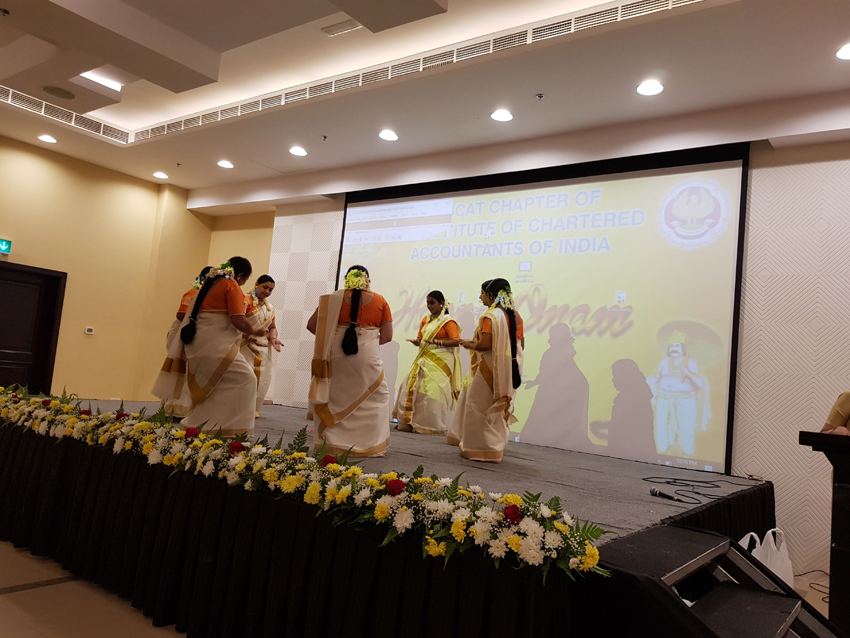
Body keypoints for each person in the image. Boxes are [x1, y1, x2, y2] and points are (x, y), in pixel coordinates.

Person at [152, 258, 266, 437]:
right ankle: (229, 428)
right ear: (240, 276)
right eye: (244, 280)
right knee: (247, 380)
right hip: (216, 346)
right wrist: (255, 330)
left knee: (219, 385)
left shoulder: (209, 285)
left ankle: (202, 425)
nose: (243, 284)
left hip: (199, 343)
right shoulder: (231, 285)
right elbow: (237, 319)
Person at [306, 265, 393, 457]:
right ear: (367, 280)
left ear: (347, 279)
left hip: (336, 355)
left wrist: (334, 336)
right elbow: (387, 336)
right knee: (377, 397)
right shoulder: (380, 301)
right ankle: (369, 446)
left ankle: (333, 444)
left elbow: (312, 326)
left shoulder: (331, 299)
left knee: (335, 396)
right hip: (367, 357)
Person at [446, 278, 524, 463]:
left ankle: (480, 448)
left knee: (479, 406)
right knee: (498, 403)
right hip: (511, 365)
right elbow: (520, 344)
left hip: (491, 366)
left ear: (491, 295)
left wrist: (471, 344)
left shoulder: (492, 316)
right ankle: (495, 447)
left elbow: (486, 344)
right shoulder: (515, 316)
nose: (480, 298)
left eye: (482, 293)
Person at [393, 291, 463, 435]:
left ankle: (432, 425)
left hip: (441, 360)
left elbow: (456, 341)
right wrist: (416, 342)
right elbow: (421, 340)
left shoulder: (448, 322)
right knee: (412, 385)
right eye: (428, 303)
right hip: (424, 358)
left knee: (434, 390)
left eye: (432, 303)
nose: (429, 306)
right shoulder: (425, 320)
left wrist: (438, 342)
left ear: (441, 303)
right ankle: (412, 422)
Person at [520, 323, 590, 451]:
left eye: (552, 335)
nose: (549, 339)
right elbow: (545, 373)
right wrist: (535, 382)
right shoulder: (554, 354)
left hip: (553, 396)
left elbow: (548, 373)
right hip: (548, 395)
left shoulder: (557, 355)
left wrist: (537, 382)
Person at [647, 331, 710, 457]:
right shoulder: (664, 362)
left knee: (686, 426)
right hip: (664, 398)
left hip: (685, 400)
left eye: (677, 346)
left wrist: (689, 373)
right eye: (672, 346)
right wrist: (651, 379)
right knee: (661, 424)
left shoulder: (690, 362)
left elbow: (701, 384)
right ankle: (662, 449)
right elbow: (657, 378)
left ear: (683, 348)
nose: (674, 349)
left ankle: (687, 451)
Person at [590, 359, 657, 463]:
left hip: (630, 458)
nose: (613, 380)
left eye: (615, 376)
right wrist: (603, 427)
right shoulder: (639, 394)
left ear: (624, 376)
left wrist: (601, 428)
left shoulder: (630, 397)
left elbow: (622, 426)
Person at [241, 275, 282, 417]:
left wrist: (274, 338)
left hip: (264, 347)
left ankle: (254, 410)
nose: (267, 291)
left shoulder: (270, 308)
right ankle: (241, 408)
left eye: (271, 290)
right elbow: (236, 325)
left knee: (264, 378)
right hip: (244, 345)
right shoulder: (245, 301)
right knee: (246, 377)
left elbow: (272, 327)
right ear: (256, 284)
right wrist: (250, 337)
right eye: (265, 287)